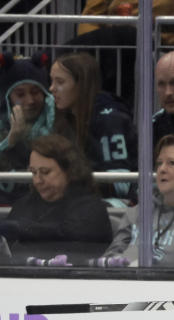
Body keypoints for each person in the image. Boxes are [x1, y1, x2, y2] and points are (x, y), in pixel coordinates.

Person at [98, 133, 174, 268]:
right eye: (159, 163)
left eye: (172, 163)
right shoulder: (138, 212)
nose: (162, 169)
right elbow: (109, 258)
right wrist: (112, 262)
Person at [0, 134, 111, 265]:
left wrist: (22, 228)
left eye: (45, 172)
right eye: (33, 172)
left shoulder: (92, 208)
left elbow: (69, 233)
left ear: (69, 171)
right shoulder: (23, 205)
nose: (37, 180)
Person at [49, 52, 138, 202]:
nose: (52, 88)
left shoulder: (110, 120)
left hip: (120, 204)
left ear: (81, 84)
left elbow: (120, 185)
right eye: (51, 81)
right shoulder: (65, 119)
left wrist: (69, 183)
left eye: (60, 82)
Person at [0, 54, 55, 205]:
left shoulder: (59, 120)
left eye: (36, 92)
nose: (30, 100)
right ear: (7, 97)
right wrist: (9, 143)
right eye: (20, 94)